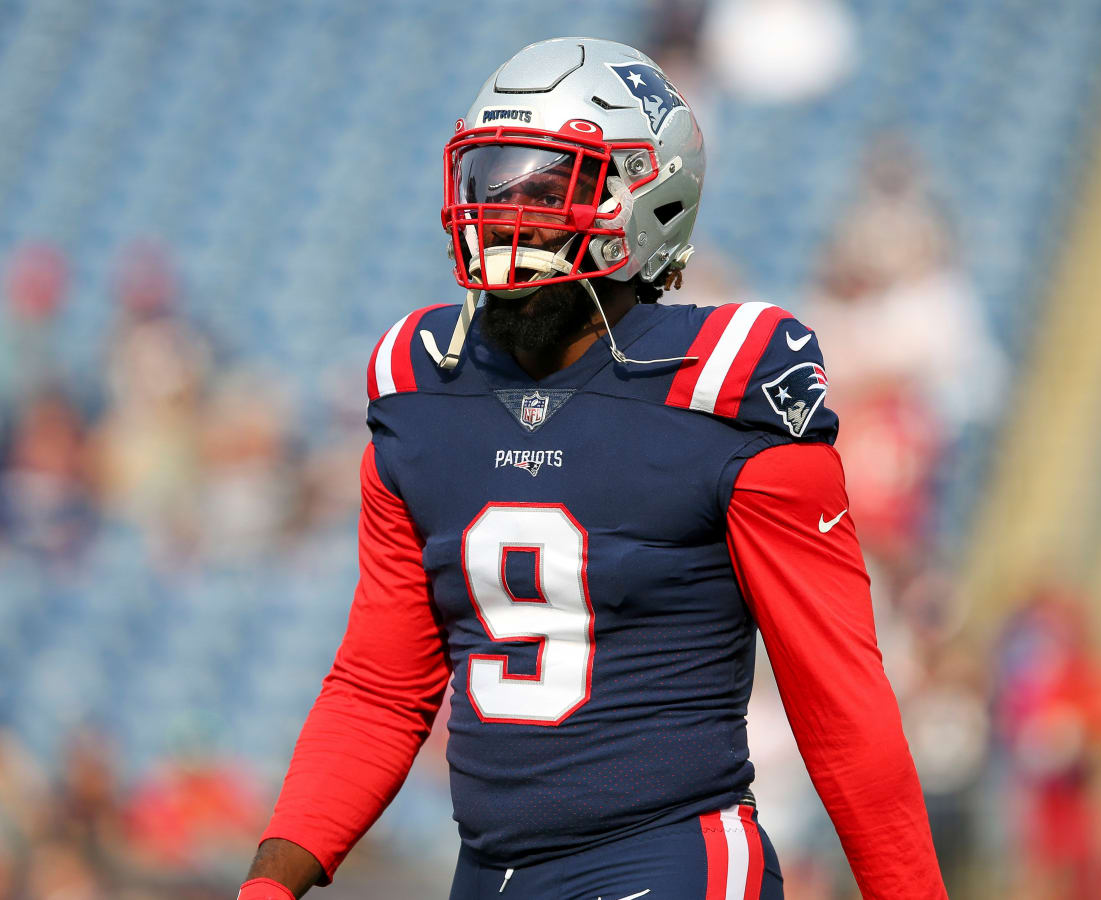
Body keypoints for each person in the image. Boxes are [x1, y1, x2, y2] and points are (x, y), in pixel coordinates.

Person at [238, 37, 945, 900]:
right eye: (492, 181)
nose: (506, 213)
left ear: (645, 198)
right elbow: (381, 688)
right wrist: (271, 881)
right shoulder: (422, 390)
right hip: (489, 874)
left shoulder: (727, 386)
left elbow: (841, 701)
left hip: (666, 858)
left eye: (547, 187)